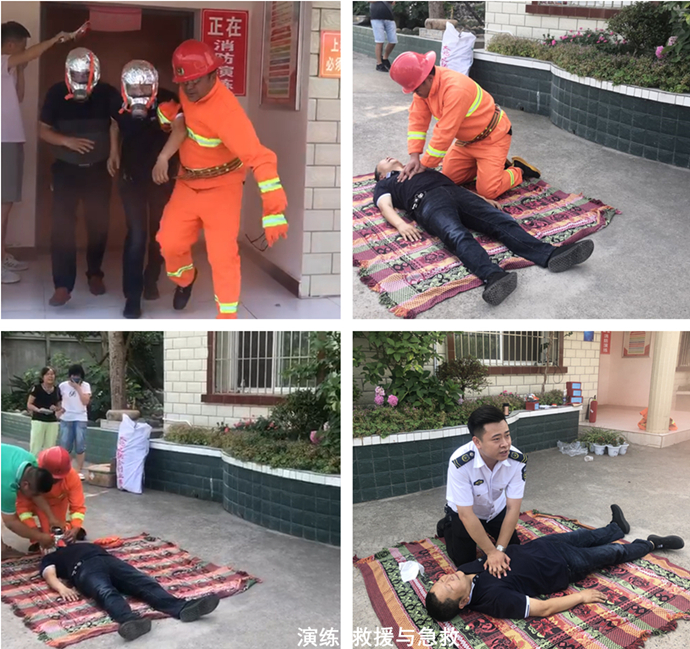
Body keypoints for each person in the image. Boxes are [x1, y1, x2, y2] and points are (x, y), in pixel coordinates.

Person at [155, 39, 288, 319]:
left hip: (223, 189)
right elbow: (185, 120)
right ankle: (185, 279)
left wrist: (273, 210)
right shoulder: (187, 91)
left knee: (222, 255)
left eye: (195, 81)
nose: (189, 87)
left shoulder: (227, 114)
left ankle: (227, 316)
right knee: (169, 242)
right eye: (184, 82)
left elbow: (260, 157)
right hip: (187, 184)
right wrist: (170, 116)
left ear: (213, 75)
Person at [373, 157, 594, 305]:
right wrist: (400, 224)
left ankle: (550, 254)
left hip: (458, 194)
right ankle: (493, 276)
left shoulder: (422, 167)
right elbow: (385, 206)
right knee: (457, 235)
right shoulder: (385, 184)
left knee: (501, 221)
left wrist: (480, 198)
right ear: (382, 175)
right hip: (427, 202)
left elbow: (455, 186)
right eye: (383, 161)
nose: (388, 157)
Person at [425, 505, 684, 621]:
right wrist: (580, 597)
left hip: (543, 546)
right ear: (462, 602)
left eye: (440, 580)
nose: (446, 578)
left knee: (585, 536)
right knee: (612, 553)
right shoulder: (493, 600)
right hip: (564, 565)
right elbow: (543, 608)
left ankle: (617, 527)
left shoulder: (463, 571)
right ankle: (652, 544)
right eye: (447, 587)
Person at [389, 51, 542, 199]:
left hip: (492, 139)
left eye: (416, 89)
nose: (415, 94)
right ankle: (489, 168)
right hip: (466, 142)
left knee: (488, 191)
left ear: (428, 78)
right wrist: (414, 156)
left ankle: (519, 170)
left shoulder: (455, 89)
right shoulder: (423, 90)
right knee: (449, 178)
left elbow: (444, 133)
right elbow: (417, 121)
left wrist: (424, 165)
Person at [39, 47, 121, 307]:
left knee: (98, 224)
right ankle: (62, 285)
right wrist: (67, 141)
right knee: (62, 228)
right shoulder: (56, 93)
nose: (81, 78)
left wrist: (114, 153)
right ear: (68, 72)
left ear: (94, 73)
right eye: (76, 74)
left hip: (98, 169)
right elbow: (43, 130)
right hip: (66, 170)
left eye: (86, 74)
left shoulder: (106, 92)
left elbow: (116, 123)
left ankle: (95, 273)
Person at [1, 22, 73, 284]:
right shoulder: (1, 60)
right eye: (22, 47)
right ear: (10, 45)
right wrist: (55, 39)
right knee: (2, 206)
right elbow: (32, 54)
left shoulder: (8, 68)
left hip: (11, 140)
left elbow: (19, 96)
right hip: (3, 142)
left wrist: (20, 69)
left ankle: (2, 255)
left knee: (6, 204)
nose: (25, 52)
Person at [111, 60, 182, 319]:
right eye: (134, 88)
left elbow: (180, 130)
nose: (139, 92)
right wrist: (113, 152)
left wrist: (164, 158)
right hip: (131, 179)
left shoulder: (168, 100)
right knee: (137, 236)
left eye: (144, 87)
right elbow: (114, 125)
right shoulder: (120, 102)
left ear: (154, 85)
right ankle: (132, 296)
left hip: (161, 179)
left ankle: (151, 279)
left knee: (158, 235)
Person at [40, 541, 220, 640]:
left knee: (144, 583)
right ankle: (130, 620)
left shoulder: (85, 544)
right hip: (83, 567)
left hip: (108, 560)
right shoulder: (51, 557)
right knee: (105, 591)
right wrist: (61, 588)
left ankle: (182, 608)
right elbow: (49, 574)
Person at [437, 405, 527, 575]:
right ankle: (446, 524)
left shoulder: (517, 460)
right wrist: (491, 552)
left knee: (514, 553)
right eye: (496, 439)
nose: (505, 444)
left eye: (507, 435)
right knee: (466, 563)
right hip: (466, 513)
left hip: (495, 510)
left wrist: (499, 549)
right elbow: (466, 514)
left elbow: (513, 508)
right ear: (477, 442)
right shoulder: (460, 463)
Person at [16, 446, 87, 553]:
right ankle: (36, 539)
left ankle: (68, 528)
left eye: (56, 480)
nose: (52, 482)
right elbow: (22, 508)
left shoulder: (72, 477)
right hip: (31, 502)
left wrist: (75, 527)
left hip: (56, 503)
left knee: (54, 532)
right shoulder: (30, 475)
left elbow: (78, 507)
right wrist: (36, 534)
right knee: (16, 518)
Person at [1, 443, 61, 558]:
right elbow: (11, 522)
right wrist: (40, 537)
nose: (36, 496)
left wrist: (51, 518)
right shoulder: (6, 486)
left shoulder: (31, 461)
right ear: (25, 485)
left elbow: (37, 495)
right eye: (34, 493)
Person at [58, 364, 92, 480]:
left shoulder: (86, 386)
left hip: (80, 418)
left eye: (78, 375)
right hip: (66, 418)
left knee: (80, 445)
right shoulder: (63, 386)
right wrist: (58, 411)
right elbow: (57, 400)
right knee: (65, 445)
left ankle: (78, 471)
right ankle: (66, 470)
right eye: (73, 375)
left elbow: (85, 401)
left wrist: (78, 388)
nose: (76, 377)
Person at [27, 366, 62, 456]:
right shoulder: (37, 388)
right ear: (43, 376)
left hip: (52, 421)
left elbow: (59, 406)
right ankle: (33, 463)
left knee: (50, 447)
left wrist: (56, 408)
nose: (50, 376)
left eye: (52, 374)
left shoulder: (57, 390)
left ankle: (47, 463)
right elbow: (29, 404)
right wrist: (38, 410)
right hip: (38, 420)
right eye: (47, 374)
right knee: (36, 446)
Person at [369, 2, 397, 72]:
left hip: (389, 18)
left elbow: (393, 2)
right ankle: (379, 63)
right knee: (379, 41)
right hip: (376, 18)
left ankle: (385, 58)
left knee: (393, 41)